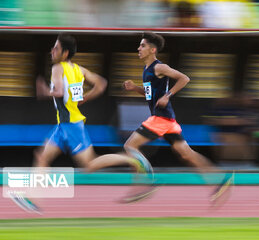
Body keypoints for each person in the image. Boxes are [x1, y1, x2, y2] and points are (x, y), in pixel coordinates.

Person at [88, 31, 233, 203]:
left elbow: (184, 78)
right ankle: (221, 180)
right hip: (168, 120)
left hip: (160, 119)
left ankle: (147, 181)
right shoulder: (147, 70)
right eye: (139, 45)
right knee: (187, 154)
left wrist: (168, 95)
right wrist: (135, 88)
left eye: (142, 46)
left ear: (153, 50)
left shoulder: (158, 67)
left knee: (130, 146)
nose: (138, 48)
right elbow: (152, 95)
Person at [10, 33, 148, 213]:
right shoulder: (79, 69)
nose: (52, 51)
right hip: (64, 125)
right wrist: (85, 98)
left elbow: (59, 91)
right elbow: (101, 83)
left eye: (56, 48)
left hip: (71, 125)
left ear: (65, 53)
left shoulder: (57, 68)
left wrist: (45, 91)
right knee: (42, 157)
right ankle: (32, 198)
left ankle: (133, 160)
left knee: (89, 164)